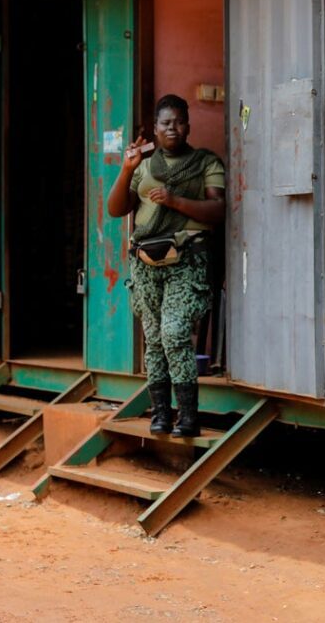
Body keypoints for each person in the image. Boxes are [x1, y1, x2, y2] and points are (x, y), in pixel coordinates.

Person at [106, 94, 225, 437]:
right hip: (146, 262)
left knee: (174, 332)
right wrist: (126, 168)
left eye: (178, 121)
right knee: (154, 337)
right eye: (165, 123)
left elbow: (217, 212)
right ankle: (160, 413)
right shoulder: (143, 166)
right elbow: (117, 209)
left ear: (188, 125)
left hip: (187, 259)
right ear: (155, 129)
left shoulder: (205, 162)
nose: (172, 128)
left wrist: (175, 200)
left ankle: (188, 416)